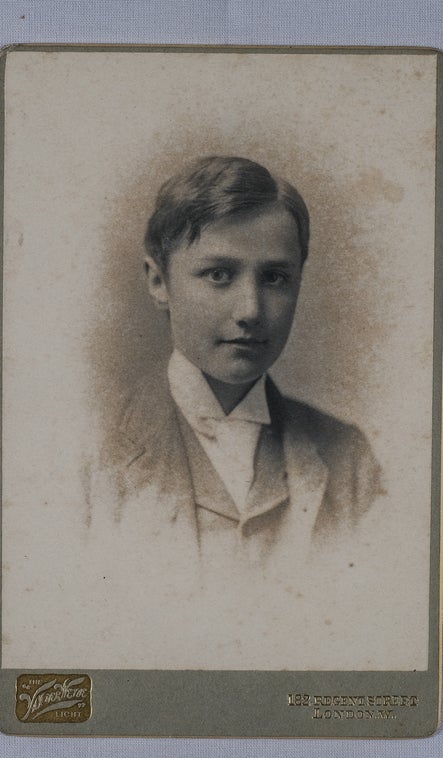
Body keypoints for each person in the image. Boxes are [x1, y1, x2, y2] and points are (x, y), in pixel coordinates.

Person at [111, 155, 381, 571]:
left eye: (275, 278)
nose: (251, 310)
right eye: (219, 274)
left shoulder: (350, 460)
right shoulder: (89, 448)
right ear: (158, 281)